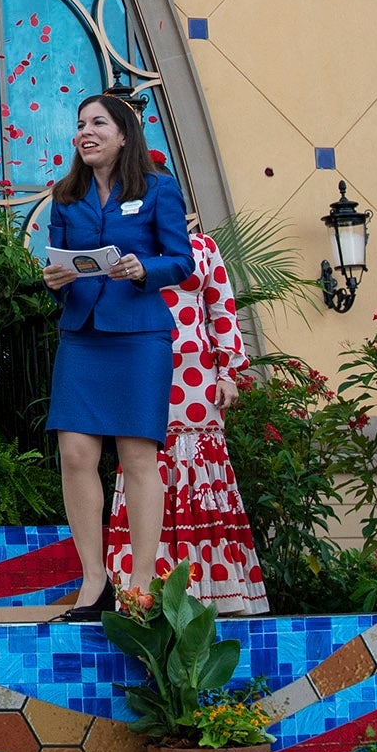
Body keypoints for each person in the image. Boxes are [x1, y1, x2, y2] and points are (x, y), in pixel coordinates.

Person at [40, 93, 192, 623]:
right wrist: (56, 280)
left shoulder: (157, 190)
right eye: (80, 124)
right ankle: (93, 583)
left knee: (136, 458)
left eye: (98, 123)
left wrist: (143, 269)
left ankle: (141, 588)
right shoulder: (66, 196)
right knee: (75, 454)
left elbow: (181, 261)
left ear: (124, 134)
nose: (86, 131)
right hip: (82, 334)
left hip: (138, 336)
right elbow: (57, 263)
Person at [104, 193, 268, 614]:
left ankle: (213, 594)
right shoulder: (126, 249)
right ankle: (143, 590)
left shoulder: (203, 249)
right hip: (142, 368)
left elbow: (223, 310)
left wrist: (229, 372)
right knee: (144, 464)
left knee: (199, 469)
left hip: (197, 379)